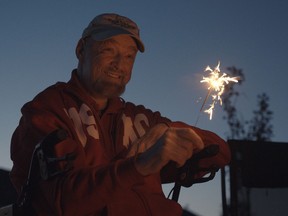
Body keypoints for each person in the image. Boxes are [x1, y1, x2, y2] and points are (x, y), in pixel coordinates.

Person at [10, 13, 231, 216]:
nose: (119, 65)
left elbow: (220, 153)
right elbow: (61, 202)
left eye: (129, 57)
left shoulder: (141, 119)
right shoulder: (48, 109)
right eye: (108, 50)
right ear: (80, 49)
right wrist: (140, 166)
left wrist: (171, 132)